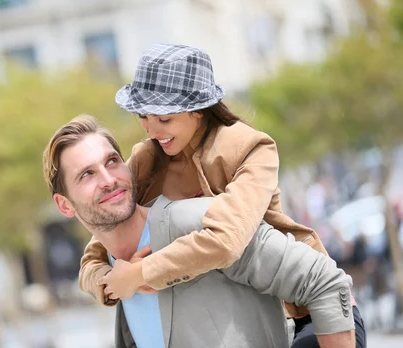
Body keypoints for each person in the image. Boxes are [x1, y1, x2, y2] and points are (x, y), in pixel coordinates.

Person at [79, 43, 366, 347]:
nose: (151, 131)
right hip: (233, 321)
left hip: (309, 307)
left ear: (198, 111)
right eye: (144, 117)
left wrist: (141, 273)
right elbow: (96, 249)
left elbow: (226, 239)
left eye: (164, 119)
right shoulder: (146, 160)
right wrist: (108, 283)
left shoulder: (252, 149)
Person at [43, 115, 356, 347]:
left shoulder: (199, 221)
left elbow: (326, 282)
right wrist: (104, 281)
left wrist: (142, 274)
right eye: (87, 174)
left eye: (113, 161)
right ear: (65, 205)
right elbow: (90, 266)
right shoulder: (110, 271)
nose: (108, 179)